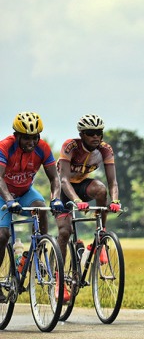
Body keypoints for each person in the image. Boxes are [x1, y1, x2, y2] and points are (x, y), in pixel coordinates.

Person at [0, 112, 64, 302]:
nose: (32, 142)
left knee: (41, 207)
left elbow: (55, 179)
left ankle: (38, 254)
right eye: (27, 138)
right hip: (3, 194)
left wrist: (56, 199)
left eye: (35, 137)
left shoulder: (42, 148)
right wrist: (9, 200)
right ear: (16, 136)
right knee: (3, 235)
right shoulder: (5, 147)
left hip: (26, 191)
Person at [57, 114, 122, 284]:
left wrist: (115, 201)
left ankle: (100, 235)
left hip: (81, 184)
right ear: (81, 134)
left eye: (99, 133)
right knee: (64, 232)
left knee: (101, 190)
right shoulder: (70, 146)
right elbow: (64, 180)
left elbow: (112, 182)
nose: (96, 137)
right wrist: (77, 201)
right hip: (63, 189)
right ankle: (59, 280)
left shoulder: (105, 149)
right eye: (91, 133)